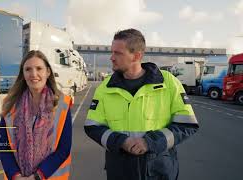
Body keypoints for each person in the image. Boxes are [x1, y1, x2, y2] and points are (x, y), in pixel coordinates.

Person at [84, 29, 199, 180]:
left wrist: (150, 142)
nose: (111, 58)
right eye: (111, 52)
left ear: (137, 56)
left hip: (159, 172)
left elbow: (187, 125)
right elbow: (92, 126)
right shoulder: (105, 88)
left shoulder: (169, 83)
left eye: (118, 53)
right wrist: (121, 142)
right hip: (120, 171)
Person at [0, 50, 72, 180]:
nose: (34, 74)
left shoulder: (62, 104)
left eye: (39, 68)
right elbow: (2, 145)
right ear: (23, 74)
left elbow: (63, 149)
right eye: (28, 69)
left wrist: (37, 177)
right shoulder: (10, 104)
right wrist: (16, 176)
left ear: (47, 72)